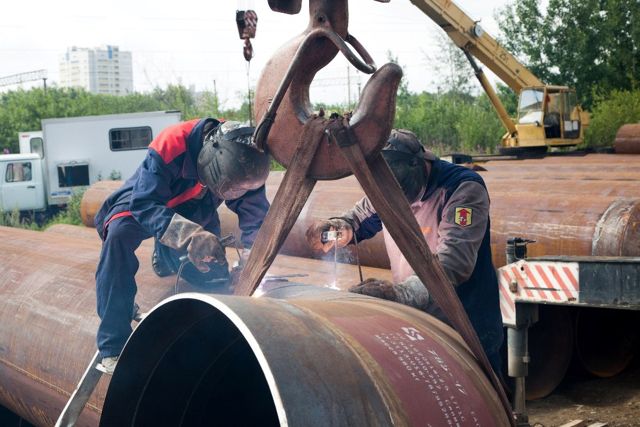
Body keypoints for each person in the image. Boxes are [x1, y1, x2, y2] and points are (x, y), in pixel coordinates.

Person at [306, 129, 504, 374]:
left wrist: (402, 294)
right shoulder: (385, 189)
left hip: (466, 324)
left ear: (418, 164)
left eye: (397, 192)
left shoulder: (462, 189)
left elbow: (454, 262)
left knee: (479, 393)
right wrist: (341, 225)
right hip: (418, 320)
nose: (391, 201)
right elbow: (359, 217)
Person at [94, 118, 270, 374]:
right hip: (148, 199)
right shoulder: (171, 144)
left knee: (213, 277)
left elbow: (256, 217)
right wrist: (189, 236)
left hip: (196, 204)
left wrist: (252, 259)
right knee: (118, 237)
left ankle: (165, 252)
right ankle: (112, 345)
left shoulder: (246, 158)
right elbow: (143, 204)